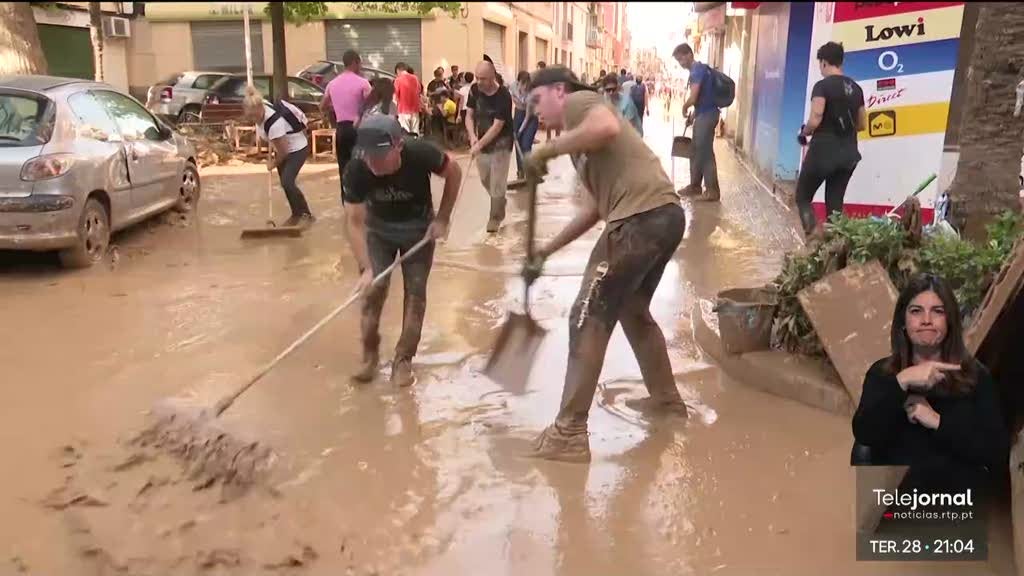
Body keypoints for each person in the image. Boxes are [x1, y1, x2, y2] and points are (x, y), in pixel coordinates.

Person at [522, 66, 689, 462]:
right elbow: (597, 209)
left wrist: (548, 149)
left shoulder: (581, 103)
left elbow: (607, 128)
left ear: (559, 91)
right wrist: (546, 250)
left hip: (638, 220)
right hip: (664, 216)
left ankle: (569, 433)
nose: (534, 110)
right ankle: (668, 404)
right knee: (632, 310)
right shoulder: (582, 149)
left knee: (585, 316)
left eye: (537, 99)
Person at [852, 274, 1007, 495]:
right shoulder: (884, 374)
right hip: (896, 502)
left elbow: (996, 452)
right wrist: (902, 382)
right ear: (903, 323)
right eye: (916, 311)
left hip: (955, 503)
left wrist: (937, 421)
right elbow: (865, 435)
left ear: (950, 321)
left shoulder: (974, 376)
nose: (926, 320)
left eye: (938, 311)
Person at [342, 114, 463, 387]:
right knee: (373, 291)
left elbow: (454, 172)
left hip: (418, 229)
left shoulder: (420, 152)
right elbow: (354, 221)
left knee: (416, 294)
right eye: (368, 155)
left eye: (379, 155)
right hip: (378, 231)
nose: (373, 162)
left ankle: (403, 359)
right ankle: (369, 356)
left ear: (398, 146)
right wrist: (366, 267)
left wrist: (442, 218)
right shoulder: (357, 168)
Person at [796, 41, 866, 241]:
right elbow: (862, 124)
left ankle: (813, 240)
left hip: (823, 152)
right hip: (849, 155)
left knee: (802, 196)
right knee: (834, 203)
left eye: (820, 64)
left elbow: (816, 117)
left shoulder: (822, 86)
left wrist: (805, 132)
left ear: (824, 63)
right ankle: (834, 247)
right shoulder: (857, 88)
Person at [242, 87, 314, 226]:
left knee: (287, 181)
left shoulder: (275, 124)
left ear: (260, 109)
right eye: (249, 116)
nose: (252, 120)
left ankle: (306, 214)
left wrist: (273, 164)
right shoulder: (260, 107)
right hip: (283, 147)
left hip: (297, 149)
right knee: (286, 184)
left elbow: (284, 152)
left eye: (254, 116)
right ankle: (296, 213)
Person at [466, 60, 514, 233]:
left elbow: (497, 126)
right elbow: (469, 116)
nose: (479, 82)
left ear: (492, 77)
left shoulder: (503, 95)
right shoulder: (474, 90)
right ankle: (500, 201)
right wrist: (472, 136)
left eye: (483, 79)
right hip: (481, 141)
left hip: (502, 142)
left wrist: (478, 144)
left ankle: (494, 219)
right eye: (477, 78)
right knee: (485, 179)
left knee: (497, 183)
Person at [673, 43, 721, 202]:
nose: (681, 63)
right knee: (695, 150)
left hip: (707, 116)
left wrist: (684, 107)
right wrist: (693, 115)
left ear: (689, 54)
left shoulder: (696, 71)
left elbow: (693, 98)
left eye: (681, 59)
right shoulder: (700, 69)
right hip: (704, 114)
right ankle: (695, 186)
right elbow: (702, 98)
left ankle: (712, 191)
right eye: (678, 60)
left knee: (705, 152)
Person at [321, 49, 371, 186]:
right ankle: (362, 198)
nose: (361, 67)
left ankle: (346, 197)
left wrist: (336, 107)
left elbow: (323, 106)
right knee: (362, 164)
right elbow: (371, 104)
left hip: (341, 129)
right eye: (360, 63)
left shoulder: (332, 84)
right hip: (359, 128)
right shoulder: (363, 83)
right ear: (355, 63)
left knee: (343, 166)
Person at [510, 70, 539, 178]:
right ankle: (520, 171)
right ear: (518, 82)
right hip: (518, 115)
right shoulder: (513, 86)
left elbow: (527, 117)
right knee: (518, 144)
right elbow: (513, 99)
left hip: (530, 119)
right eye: (523, 83)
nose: (525, 86)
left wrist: (519, 131)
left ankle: (529, 170)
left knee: (526, 145)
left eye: (527, 83)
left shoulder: (531, 94)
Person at [394, 62, 423, 136]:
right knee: (415, 132)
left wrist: (395, 112)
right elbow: (419, 92)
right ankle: (416, 147)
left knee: (405, 134)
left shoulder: (398, 80)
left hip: (403, 111)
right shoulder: (415, 78)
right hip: (415, 110)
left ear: (398, 70)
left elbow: (395, 97)